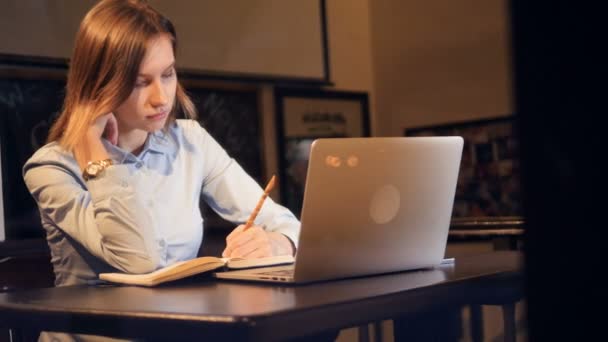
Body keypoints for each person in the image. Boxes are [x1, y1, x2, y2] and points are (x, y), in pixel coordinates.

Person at [22, 1, 303, 341]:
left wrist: (279, 242)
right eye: (142, 82)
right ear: (98, 85)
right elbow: (138, 260)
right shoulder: (51, 167)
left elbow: (288, 224)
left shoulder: (190, 142)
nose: (161, 98)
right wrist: (94, 153)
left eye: (167, 74)